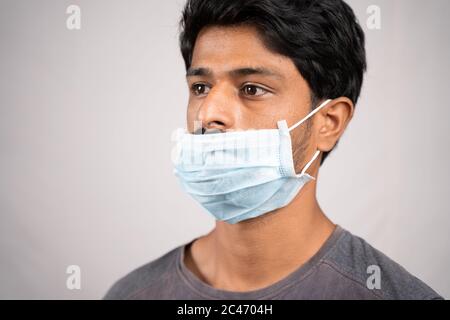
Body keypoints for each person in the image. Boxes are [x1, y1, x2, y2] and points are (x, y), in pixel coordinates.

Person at [105, 0, 443, 300]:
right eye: (201, 87)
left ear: (329, 122)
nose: (209, 114)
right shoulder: (131, 293)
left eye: (252, 88)